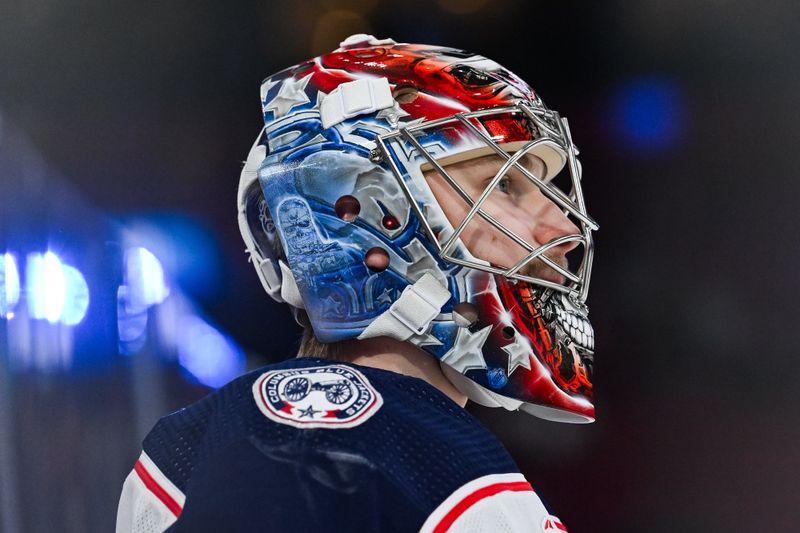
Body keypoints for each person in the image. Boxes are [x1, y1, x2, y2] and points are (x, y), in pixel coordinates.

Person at [116, 34, 598, 533]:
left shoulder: (420, 444)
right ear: (356, 212)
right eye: (504, 186)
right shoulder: (341, 434)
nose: (564, 230)